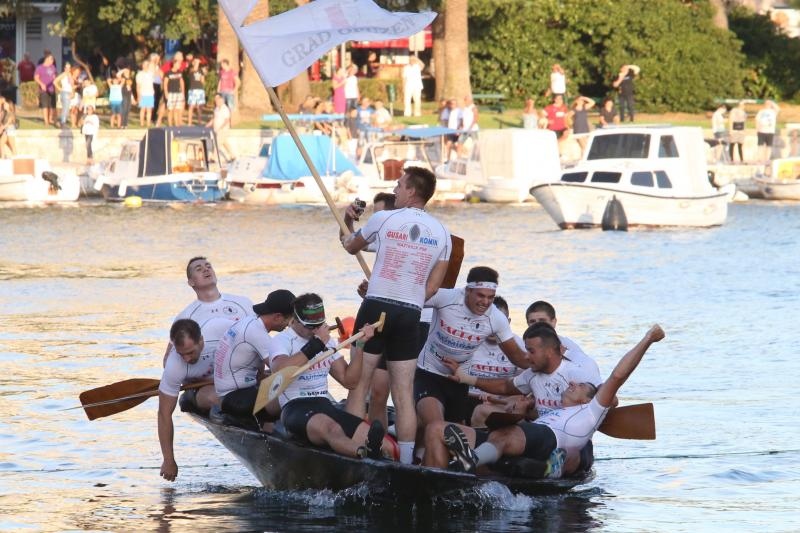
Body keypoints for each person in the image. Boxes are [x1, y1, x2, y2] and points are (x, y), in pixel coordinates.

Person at [441, 325, 665, 478]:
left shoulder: (581, 385)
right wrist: (466, 378)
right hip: (540, 434)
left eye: (531, 351)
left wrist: (647, 339)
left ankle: (470, 461)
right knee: (507, 445)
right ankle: (514, 468)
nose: (526, 356)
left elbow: (615, 382)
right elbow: (505, 387)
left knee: (570, 453)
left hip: (564, 440)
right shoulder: (532, 375)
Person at [341, 166, 451, 464]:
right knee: (403, 394)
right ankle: (406, 462)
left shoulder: (384, 218)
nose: (395, 189)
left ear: (412, 191)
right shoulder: (443, 233)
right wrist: (410, 297)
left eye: (399, 185)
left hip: (376, 307)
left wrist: (348, 221)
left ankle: (351, 451)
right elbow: (433, 287)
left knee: (359, 384)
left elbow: (350, 246)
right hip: (410, 313)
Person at [414, 267, 530, 448]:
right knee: (436, 426)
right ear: (467, 290)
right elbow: (408, 298)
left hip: (459, 379)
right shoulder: (446, 298)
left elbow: (517, 357)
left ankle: (435, 458)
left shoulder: (496, 318)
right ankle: (412, 456)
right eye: (481, 295)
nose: (485, 302)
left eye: (491, 297)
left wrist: (546, 366)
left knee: (455, 434)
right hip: (429, 371)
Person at [269, 293, 395, 460]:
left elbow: (349, 381)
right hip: (295, 407)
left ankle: (373, 454)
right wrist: (316, 345)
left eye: (318, 325)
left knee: (387, 446)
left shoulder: (327, 341)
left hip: (324, 405)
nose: (315, 330)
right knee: (332, 429)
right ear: (295, 320)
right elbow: (280, 371)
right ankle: (365, 454)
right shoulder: (283, 340)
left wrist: (360, 345)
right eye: (310, 326)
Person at [158, 317, 234, 481]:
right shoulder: (174, 366)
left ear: (201, 341)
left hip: (230, 382)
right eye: (182, 354)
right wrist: (169, 460)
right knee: (217, 398)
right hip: (198, 391)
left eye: (190, 352)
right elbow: (164, 414)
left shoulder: (223, 331)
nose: (186, 359)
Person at [213, 289, 296, 426]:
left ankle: (269, 427)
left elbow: (267, 370)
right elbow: (284, 370)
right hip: (233, 398)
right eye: (290, 320)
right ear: (277, 317)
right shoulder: (256, 332)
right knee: (293, 393)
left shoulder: (251, 321)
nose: (288, 325)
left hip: (237, 391)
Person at [165, 256, 253, 364]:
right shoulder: (185, 317)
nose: (206, 269)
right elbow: (168, 361)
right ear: (191, 282)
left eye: (208, 266)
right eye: (199, 269)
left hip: (246, 369)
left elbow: (260, 338)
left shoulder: (243, 303)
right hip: (208, 373)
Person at [459, 296, 525, 428]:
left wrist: (499, 398)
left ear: (508, 322)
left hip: (501, 401)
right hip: (468, 397)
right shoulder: (466, 340)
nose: (493, 326)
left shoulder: (519, 345)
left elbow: (525, 386)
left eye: (499, 321)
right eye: (488, 320)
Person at [207, 93, 235, 162]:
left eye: (218, 99)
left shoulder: (225, 109)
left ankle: (213, 158)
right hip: (217, 130)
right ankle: (233, 156)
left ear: (221, 100)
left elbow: (227, 120)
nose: (216, 100)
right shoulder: (216, 109)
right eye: (215, 99)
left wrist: (220, 127)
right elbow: (214, 118)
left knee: (217, 143)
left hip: (223, 130)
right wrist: (208, 125)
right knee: (225, 143)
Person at [34, 52, 57, 127]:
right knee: (45, 106)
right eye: (51, 59)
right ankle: (46, 122)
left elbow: (55, 77)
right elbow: (36, 78)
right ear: (47, 59)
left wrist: (55, 81)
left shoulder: (53, 67)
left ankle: (51, 120)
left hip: (52, 89)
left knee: (52, 106)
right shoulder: (40, 68)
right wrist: (41, 84)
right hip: (44, 89)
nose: (52, 61)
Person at [186, 57, 206, 126]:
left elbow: (203, 81)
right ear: (193, 63)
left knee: (199, 107)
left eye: (198, 62)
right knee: (191, 106)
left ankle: (199, 122)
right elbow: (193, 70)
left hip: (200, 89)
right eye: (196, 61)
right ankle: (189, 123)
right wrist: (195, 63)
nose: (197, 63)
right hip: (192, 89)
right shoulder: (190, 69)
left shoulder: (201, 71)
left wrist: (202, 78)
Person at [54, 63, 75, 128]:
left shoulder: (70, 75)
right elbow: (55, 81)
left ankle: (60, 121)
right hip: (65, 92)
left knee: (67, 108)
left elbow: (72, 85)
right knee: (65, 108)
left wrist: (73, 92)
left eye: (69, 68)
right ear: (64, 68)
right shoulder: (63, 74)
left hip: (69, 92)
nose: (68, 69)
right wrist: (60, 89)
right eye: (66, 67)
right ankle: (62, 122)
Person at [165, 61, 185, 127]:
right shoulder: (168, 73)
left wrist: (183, 93)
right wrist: (166, 93)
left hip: (178, 93)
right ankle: (170, 124)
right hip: (171, 93)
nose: (179, 65)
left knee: (177, 109)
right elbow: (165, 83)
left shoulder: (180, 73)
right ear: (174, 64)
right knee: (170, 109)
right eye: (178, 64)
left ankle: (176, 124)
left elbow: (181, 83)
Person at [136, 59, 155, 128]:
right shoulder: (139, 74)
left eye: (147, 65)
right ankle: (141, 123)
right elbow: (138, 86)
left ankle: (148, 123)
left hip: (150, 94)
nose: (146, 66)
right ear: (142, 66)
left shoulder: (151, 74)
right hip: (143, 94)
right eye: (144, 65)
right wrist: (138, 96)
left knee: (149, 110)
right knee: (143, 109)